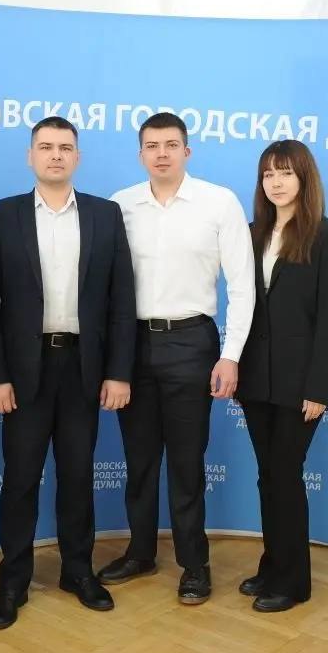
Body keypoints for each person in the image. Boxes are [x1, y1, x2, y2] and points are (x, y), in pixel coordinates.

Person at [0, 116, 136, 629]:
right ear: (31, 156)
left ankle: (77, 570)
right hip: (23, 371)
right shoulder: (2, 215)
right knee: (20, 477)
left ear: (77, 157)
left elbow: (121, 301)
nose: (56, 155)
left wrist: (119, 372)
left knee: (78, 474)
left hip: (83, 367)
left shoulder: (105, 215)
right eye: (45, 147)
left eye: (65, 147)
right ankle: (13, 580)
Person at [101, 112, 255, 605]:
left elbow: (243, 284)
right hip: (133, 345)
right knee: (139, 459)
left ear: (187, 151)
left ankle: (194, 563)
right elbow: (106, 286)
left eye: (171, 144)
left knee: (187, 463)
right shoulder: (120, 205)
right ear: (141, 154)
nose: (161, 153)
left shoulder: (219, 202)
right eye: (152, 146)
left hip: (192, 343)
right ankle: (140, 552)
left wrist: (231, 355)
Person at [235, 139, 328, 613]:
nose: (276, 182)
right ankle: (272, 566)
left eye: (285, 172)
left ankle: (294, 581)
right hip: (255, 380)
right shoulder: (251, 233)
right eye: (268, 174)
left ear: (304, 178)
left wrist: (318, 388)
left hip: (300, 384)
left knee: (285, 475)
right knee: (268, 477)